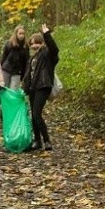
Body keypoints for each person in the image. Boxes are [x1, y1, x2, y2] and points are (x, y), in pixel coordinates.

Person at [22, 23, 59, 152]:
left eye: (36, 43)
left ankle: (47, 140)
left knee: (37, 114)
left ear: (42, 43)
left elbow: (55, 50)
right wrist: (24, 89)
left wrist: (46, 34)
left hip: (43, 86)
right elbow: (28, 75)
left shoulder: (47, 55)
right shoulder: (32, 58)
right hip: (33, 88)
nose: (34, 46)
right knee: (33, 115)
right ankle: (37, 140)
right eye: (31, 44)